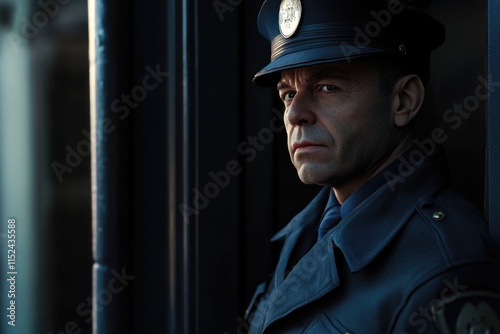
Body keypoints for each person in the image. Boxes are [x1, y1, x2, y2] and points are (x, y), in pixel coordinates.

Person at [244, 0, 500, 333]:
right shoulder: (305, 232)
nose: (294, 115)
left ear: (403, 101)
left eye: (327, 87)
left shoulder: (445, 270)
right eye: (289, 93)